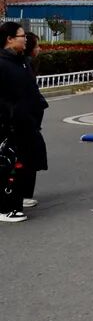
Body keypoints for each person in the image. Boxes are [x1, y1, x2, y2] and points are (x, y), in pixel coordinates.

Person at [0, 23, 45, 222]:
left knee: (23, 164)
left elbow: (30, 90)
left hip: (26, 123)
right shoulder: (3, 63)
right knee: (7, 165)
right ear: (9, 39)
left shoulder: (22, 62)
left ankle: (16, 203)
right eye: (21, 36)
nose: (25, 39)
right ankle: (5, 208)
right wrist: (10, 115)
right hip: (8, 124)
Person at [17, 32, 48, 209]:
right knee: (27, 156)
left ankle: (23, 194)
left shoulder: (24, 64)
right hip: (24, 120)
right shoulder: (21, 65)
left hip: (29, 119)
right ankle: (21, 195)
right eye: (36, 45)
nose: (39, 49)